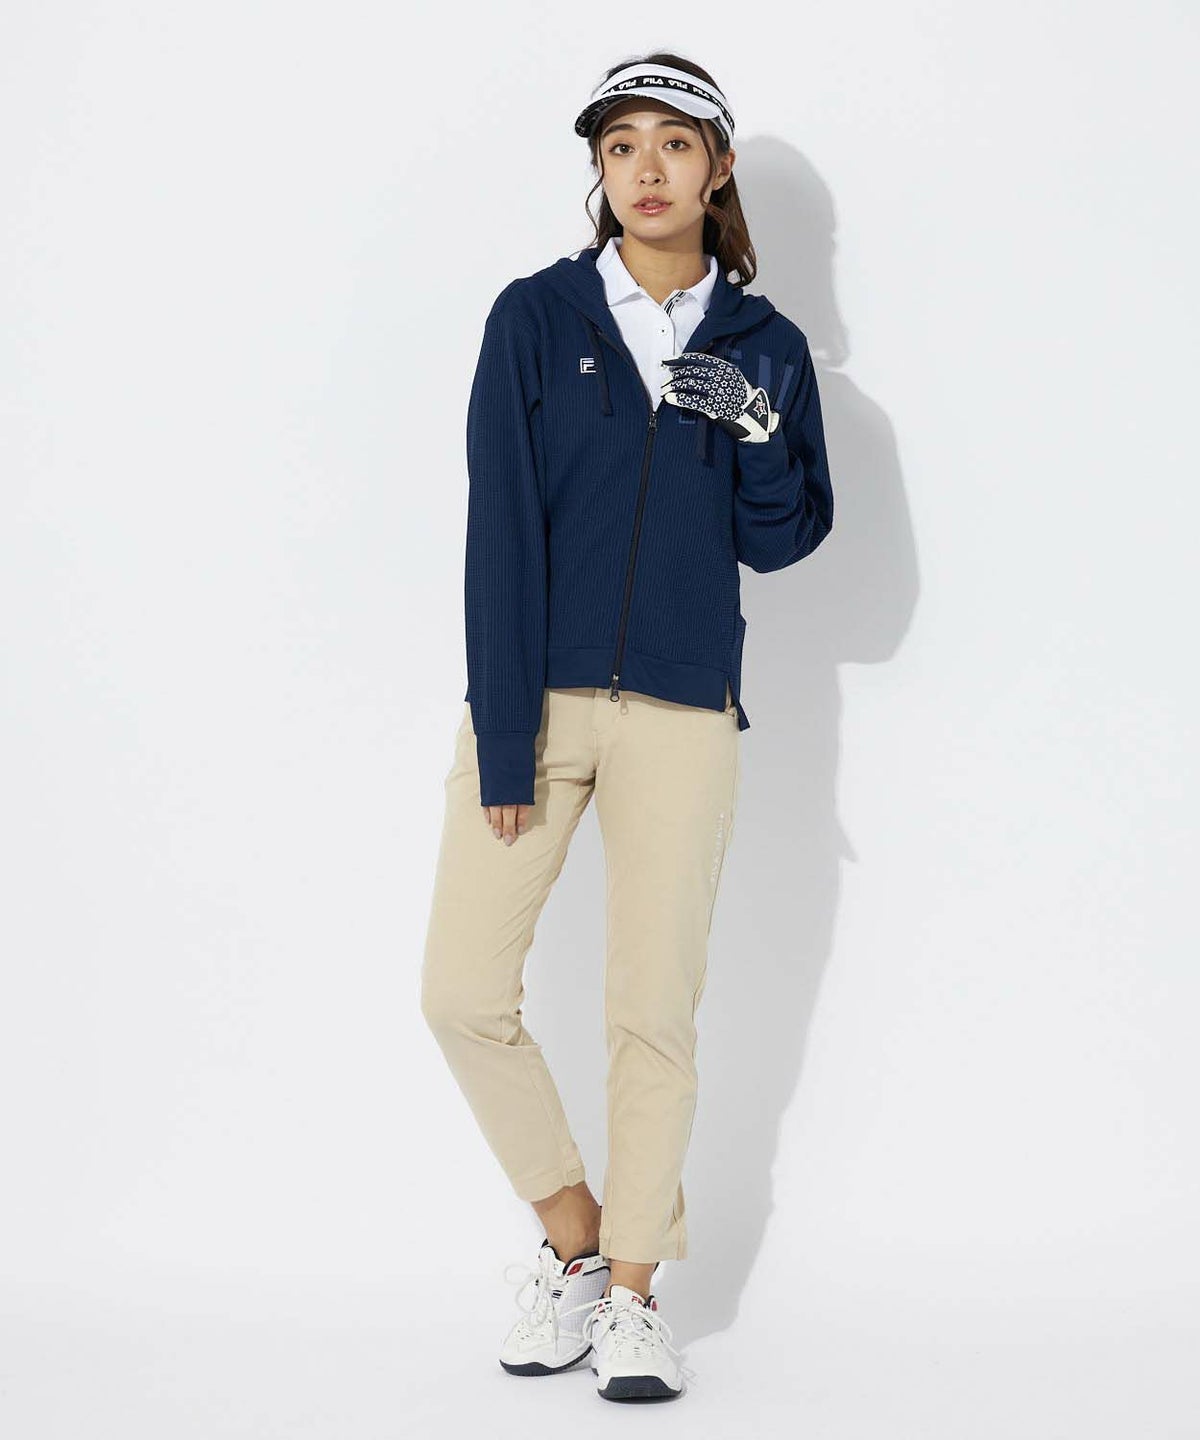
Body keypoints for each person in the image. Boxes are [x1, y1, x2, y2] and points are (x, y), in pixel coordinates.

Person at [420, 51, 834, 1403]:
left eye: (674, 144)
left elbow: (784, 541)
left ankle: (638, 1301)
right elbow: (498, 528)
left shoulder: (764, 345)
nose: (646, 170)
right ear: (599, 172)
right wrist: (502, 729)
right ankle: (580, 1243)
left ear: (718, 168)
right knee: (461, 992)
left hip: (683, 712)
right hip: (537, 702)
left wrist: (758, 433)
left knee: (652, 1013)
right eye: (621, 148)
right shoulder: (537, 317)